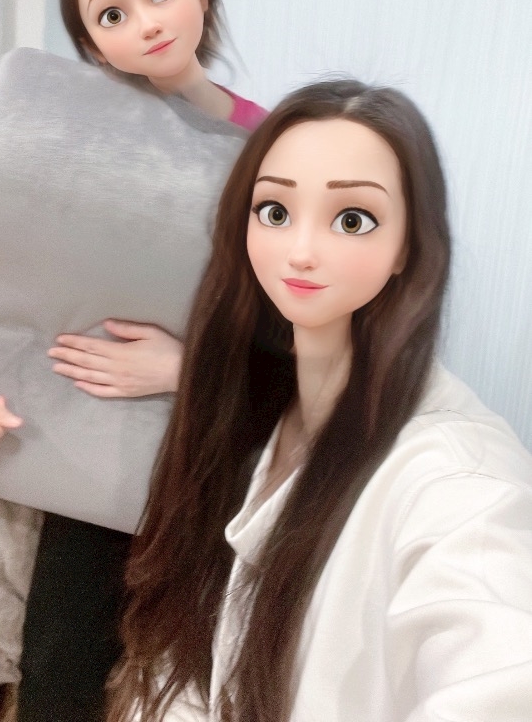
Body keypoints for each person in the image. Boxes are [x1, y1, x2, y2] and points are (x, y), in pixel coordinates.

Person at [0, 0, 268, 722]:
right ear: (94, 48)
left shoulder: (268, 144)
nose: (145, 20)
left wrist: (186, 368)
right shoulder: (65, 130)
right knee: (61, 665)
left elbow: (299, 321)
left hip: (208, 429)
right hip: (85, 443)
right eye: (111, 13)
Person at [108, 79, 532, 722]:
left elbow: (501, 667)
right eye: (275, 212)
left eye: (352, 220)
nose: (301, 252)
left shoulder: (457, 477)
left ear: (408, 246)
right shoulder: (254, 413)